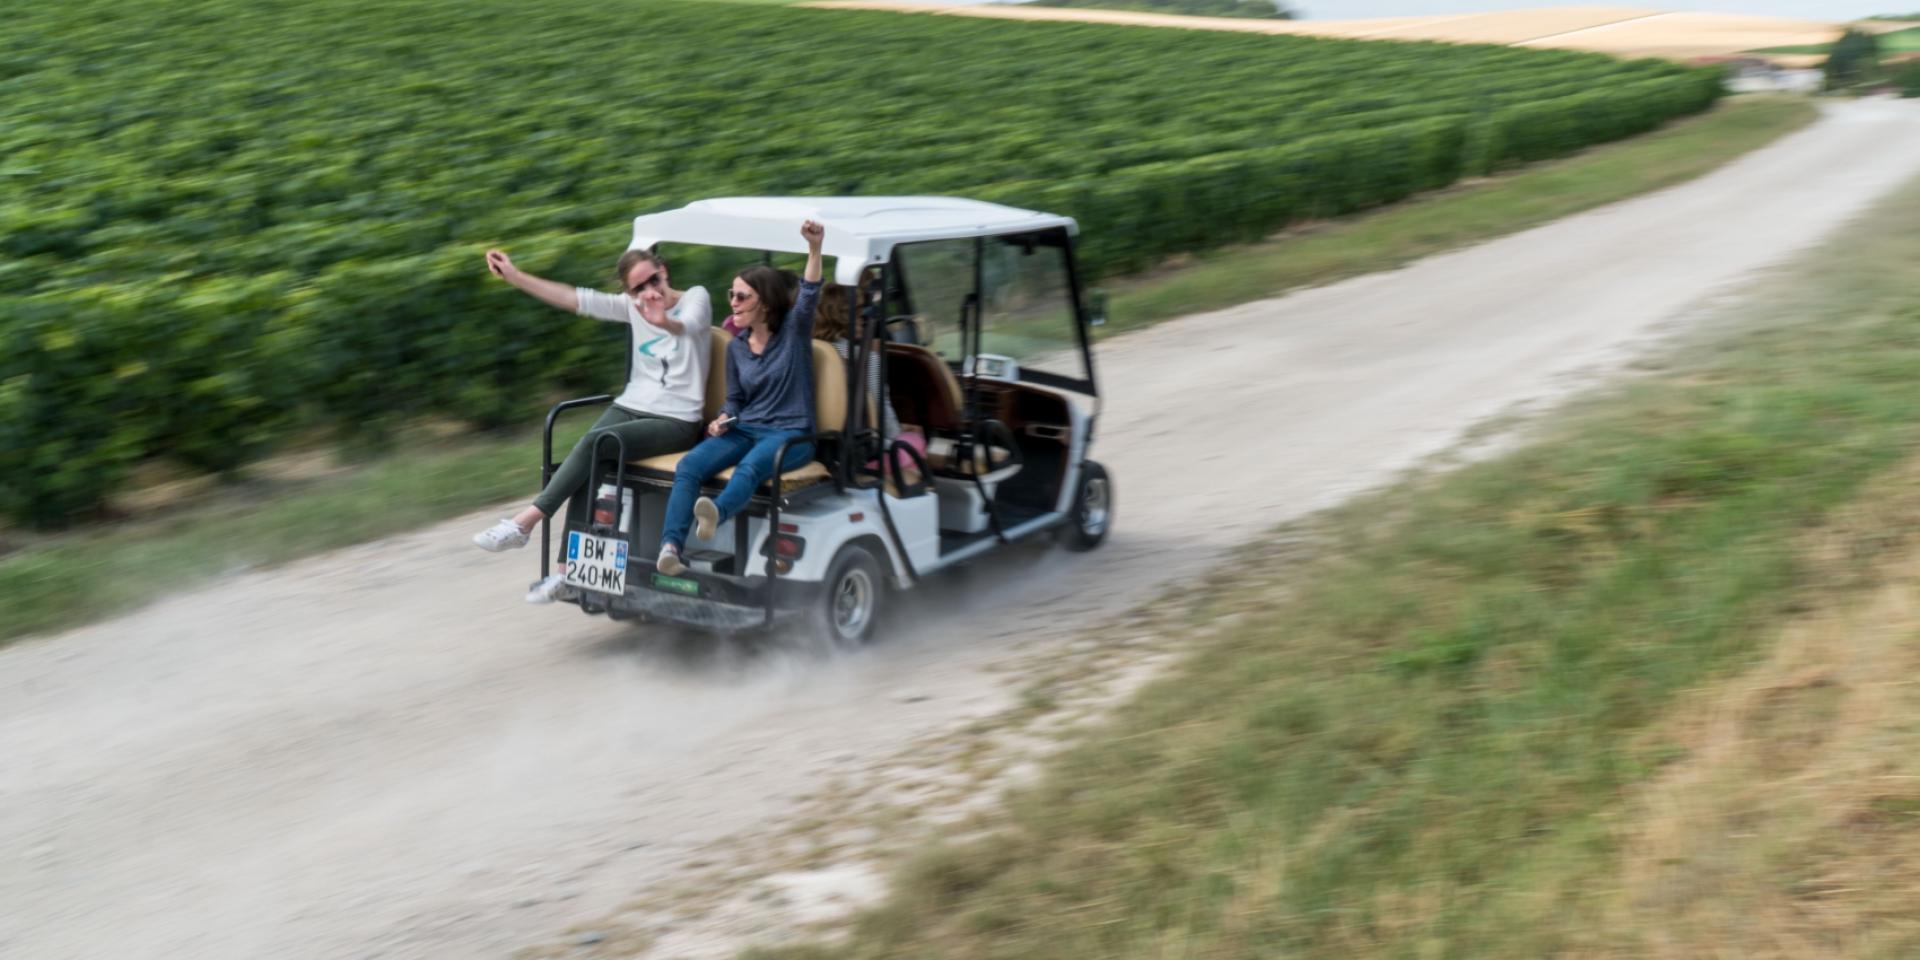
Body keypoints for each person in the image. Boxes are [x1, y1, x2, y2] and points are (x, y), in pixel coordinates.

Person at [472, 246, 712, 571]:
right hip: (633, 404)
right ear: (629, 292)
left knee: (596, 442)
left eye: (653, 280)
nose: (649, 291)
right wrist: (515, 277)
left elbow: (691, 325)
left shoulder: (695, 297)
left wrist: (664, 321)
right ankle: (567, 570)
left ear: (664, 270)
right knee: (589, 462)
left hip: (677, 419)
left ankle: (525, 522)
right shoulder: (633, 307)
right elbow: (574, 299)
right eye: (638, 288)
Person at [657, 221, 825, 576]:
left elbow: (809, 292)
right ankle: (671, 546)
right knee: (689, 467)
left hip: (790, 434)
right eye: (730, 294)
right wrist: (722, 418)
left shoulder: (793, 334)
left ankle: (716, 513)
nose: (732, 302)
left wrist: (814, 248)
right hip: (747, 428)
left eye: (741, 296)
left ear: (764, 303)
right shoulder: (736, 348)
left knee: (749, 468)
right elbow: (735, 400)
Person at [814, 283, 926, 480]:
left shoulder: (812, 349)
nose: (864, 320)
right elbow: (880, 407)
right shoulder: (865, 358)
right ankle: (902, 491)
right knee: (915, 440)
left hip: (819, 445)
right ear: (845, 317)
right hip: (858, 450)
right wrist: (898, 432)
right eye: (859, 314)